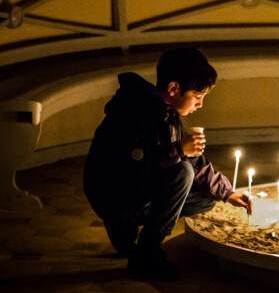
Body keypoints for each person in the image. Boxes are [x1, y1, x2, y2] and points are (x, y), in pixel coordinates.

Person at [83, 47, 251, 280]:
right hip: (115, 194)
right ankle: (146, 252)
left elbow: (195, 162)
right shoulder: (134, 115)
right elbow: (132, 171)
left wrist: (228, 193)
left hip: (139, 189)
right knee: (182, 173)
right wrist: (179, 150)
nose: (200, 105)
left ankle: (125, 225)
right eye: (198, 96)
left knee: (207, 197)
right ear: (174, 89)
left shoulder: (168, 113)